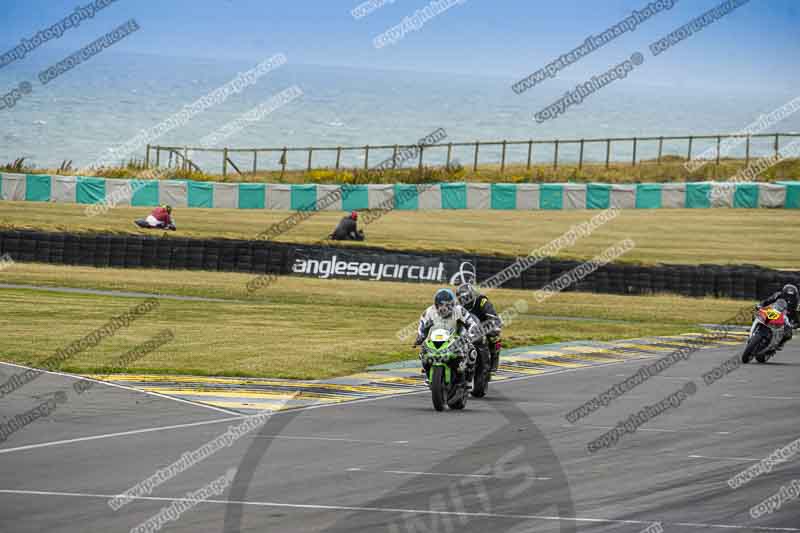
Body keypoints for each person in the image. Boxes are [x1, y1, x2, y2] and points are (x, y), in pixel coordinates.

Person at [414, 288, 480, 386]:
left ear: (452, 304)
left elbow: (472, 324)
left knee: (472, 352)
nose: (444, 308)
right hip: (435, 338)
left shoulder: (459, 310)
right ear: (436, 304)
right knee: (422, 353)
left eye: (447, 305)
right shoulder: (428, 312)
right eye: (441, 304)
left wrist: (470, 335)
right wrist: (420, 336)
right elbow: (421, 327)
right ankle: (428, 375)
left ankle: (469, 379)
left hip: (456, 338)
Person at [456, 283, 503, 372]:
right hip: (467, 327)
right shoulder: (458, 306)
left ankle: (494, 358)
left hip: (483, 326)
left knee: (494, 336)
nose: (464, 301)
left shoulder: (482, 301)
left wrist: (491, 325)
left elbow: (493, 316)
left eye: (466, 298)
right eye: (461, 299)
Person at [758, 283, 799, 351]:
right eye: (787, 295)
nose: (789, 298)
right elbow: (769, 300)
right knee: (759, 314)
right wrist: (761, 304)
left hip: (786, 317)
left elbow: (797, 318)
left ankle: (779, 344)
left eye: (791, 297)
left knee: (788, 334)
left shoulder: (797, 303)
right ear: (783, 292)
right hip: (776, 310)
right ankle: (757, 328)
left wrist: (794, 325)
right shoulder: (778, 295)